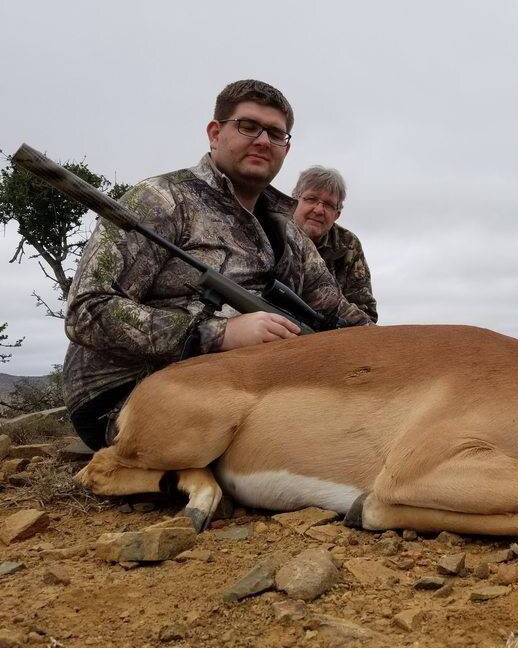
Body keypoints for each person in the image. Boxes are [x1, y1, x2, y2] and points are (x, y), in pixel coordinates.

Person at [62, 80, 373, 450]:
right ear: (215, 132)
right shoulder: (162, 200)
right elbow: (87, 310)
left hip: (248, 385)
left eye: (276, 134)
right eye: (248, 126)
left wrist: (397, 355)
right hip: (130, 396)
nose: (262, 141)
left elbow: (340, 313)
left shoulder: (287, 229)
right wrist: (218, 334)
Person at [272, 166, 378, 322]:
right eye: (311, 199)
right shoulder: (272, 229)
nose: (319, 210)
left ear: (337, 215)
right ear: (294, 201)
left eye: (328, 205)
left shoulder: (348, 244)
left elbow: (365, 310)